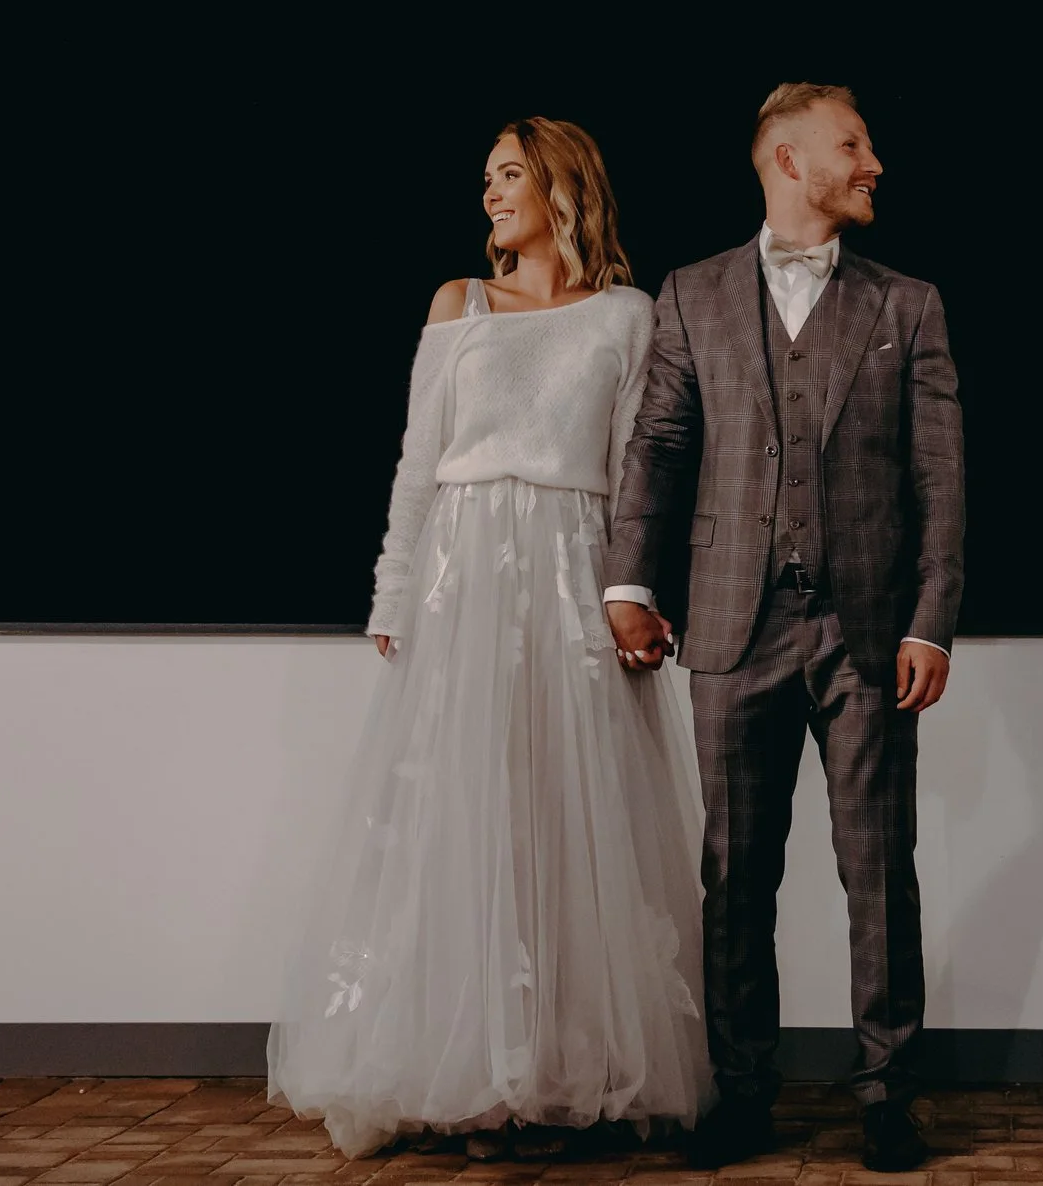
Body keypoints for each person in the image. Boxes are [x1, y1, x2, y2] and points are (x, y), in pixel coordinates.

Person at [268, 118, 711, 1160]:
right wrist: (392, 591)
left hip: (567, 577)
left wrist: (628, 593)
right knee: (464, 818)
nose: (488, 195)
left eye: (508, 174)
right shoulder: (455, 305)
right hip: (461, 583)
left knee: (566, 816)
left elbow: (635, 475)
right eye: (484, 180)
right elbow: (418, 461)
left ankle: (560, 1069)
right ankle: (471, 1067)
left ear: (561, 184)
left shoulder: (623, 317)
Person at [603, 83, 965, 1173]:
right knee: (734, 874)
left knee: (878, 869)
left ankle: (887, 1094)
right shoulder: (692, 292)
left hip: (867, 628)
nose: (874, 164)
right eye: (853, 145)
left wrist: (932, 618)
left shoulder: (909, 304)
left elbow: (940, 478)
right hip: (728, 620)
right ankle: (742, 1092)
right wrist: (629, 579)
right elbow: (658, 445)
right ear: (789, 160)